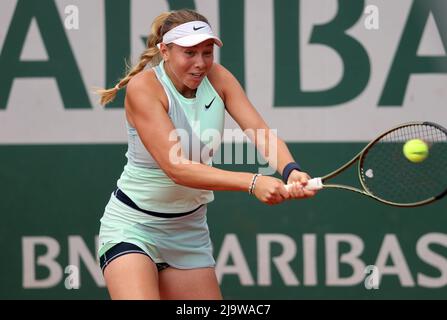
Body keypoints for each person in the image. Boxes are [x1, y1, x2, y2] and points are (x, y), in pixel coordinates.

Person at [96, 9, 317, 300]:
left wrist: (291, 170)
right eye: (189, 53)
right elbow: (178, 169)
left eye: (207, 52)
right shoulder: (144, 89)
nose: (200, 63)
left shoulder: (219, 78)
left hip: (189, 230)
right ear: (165, 51)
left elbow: (260, 132)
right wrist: (253, 182)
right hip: (134, 226)